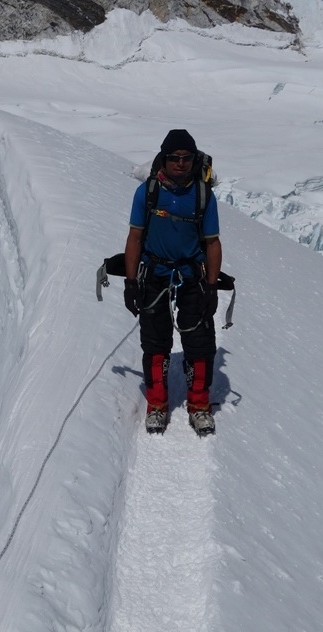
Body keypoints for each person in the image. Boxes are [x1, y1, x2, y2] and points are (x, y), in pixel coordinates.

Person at [122, 129, 222, 435]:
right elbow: (135, 237)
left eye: (186, 158)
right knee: (155, 342)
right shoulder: (148, 192)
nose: (180, 164)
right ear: (164, 159)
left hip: (192, 276)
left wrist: (212, 286)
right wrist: (131, 281)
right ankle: (157, 404)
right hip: (154, 274)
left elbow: (213, 243)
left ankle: (200, 405)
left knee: (200, 344)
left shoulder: (204, 195)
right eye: (174, 158)